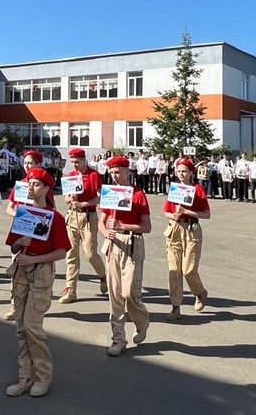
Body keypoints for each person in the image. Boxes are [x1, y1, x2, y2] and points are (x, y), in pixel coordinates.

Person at [4, 167, 71, 398]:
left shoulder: (55, 217)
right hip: (21, 270)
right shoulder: (23, 213)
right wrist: (18, 243)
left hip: (41, 271)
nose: (30, 188)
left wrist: (36, 257)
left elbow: (61, 252)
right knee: (21, 328)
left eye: (35, 185)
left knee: (32, 326)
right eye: (29, 184)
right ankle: (24, 377)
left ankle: (43, 375)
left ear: (46, 189)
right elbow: (12, 244)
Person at [99, 155, 152, 357]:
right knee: (115, 295)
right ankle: (118, 338)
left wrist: (123, 226)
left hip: (132, 244)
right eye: (111, 173)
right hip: (113, 246)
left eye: (118, 172)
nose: (114, 176)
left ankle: (142, 321)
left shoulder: (138, 194)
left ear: (127, 172)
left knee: (131, 293)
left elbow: (146, 226)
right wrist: (107, 232)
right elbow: (102, 224)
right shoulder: (110, 194)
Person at [2, 149, 50, 321]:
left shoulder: (42, 185)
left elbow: (50, 212)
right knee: (16, 270)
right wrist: (18, 215)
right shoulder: (21, 185)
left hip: (37, 233)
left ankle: (36, 304)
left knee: (36, 272)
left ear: (38, 164)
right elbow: (9, 207)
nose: (27, 166)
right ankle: (15, 305)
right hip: (20, 231)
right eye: (26, 162)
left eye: (31, 163)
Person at [163, 158, 210, 321]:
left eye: (184, 171)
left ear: (191, 173)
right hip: (175, 229)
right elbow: (166, 211)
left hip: (192, 229)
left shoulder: (197, 189)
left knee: (188, 269)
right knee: (174, 270)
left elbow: (206, 214)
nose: (181, 174)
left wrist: (187, 212)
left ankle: (199, 292)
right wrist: (173, 214)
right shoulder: (174, 189)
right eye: (179, 171)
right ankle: (175, 307)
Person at [58, 147, 107, 305]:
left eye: (77, 162)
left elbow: (101, 198)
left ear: (84, 160)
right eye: (72, 162)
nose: (74, 165)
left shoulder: (93, 175)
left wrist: (85, 203)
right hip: (72, 216)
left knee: (90, 253)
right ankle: (70, 289)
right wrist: (70, 199)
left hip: (88, 216)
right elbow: (66, 198)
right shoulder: (71, 176)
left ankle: (103, 276)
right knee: (71, 253)